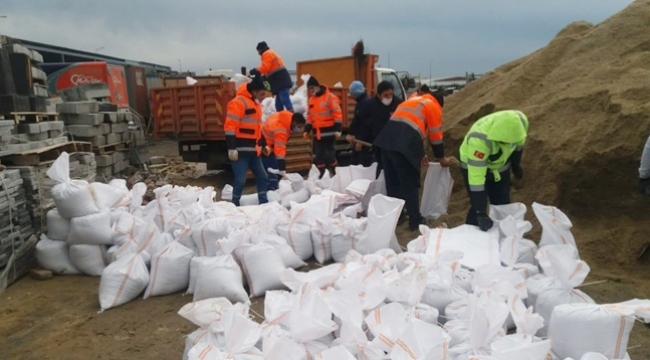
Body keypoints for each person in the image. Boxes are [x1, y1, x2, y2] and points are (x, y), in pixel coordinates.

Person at [374, 86, 450, 231]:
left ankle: (397, 216)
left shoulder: (412, 101)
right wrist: (441, 157)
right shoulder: (433, 106)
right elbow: (435, 136)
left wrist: (420, 154)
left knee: (393, 183)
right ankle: (415, 220)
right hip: (403, 145)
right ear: (439, 103)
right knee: (410, 183)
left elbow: (408, 126)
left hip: (385, 142)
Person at [459, 110, 529, 231]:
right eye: (504, 142)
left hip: (500, 164)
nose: (507, 144)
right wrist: (480, 212)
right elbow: (477, 180)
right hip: (473, 164)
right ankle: (471, 234)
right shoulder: (479, 140)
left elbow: (518, 147)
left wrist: (515, 166)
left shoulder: (521, 123)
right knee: (478, 204)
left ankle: (501, 235)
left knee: (502, 201)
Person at [224, 74, 270, 206]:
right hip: (240, 151)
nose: (263, 97)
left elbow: (257, 128)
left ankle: (264, 203)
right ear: (254, 92)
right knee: (240, 180)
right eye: (262, 94)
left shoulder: (256, 106)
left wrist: (264, 144)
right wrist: (231, 148)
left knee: (263, 177)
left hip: (254, 151)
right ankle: (234, 204)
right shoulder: (238, 103)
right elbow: (230, 126)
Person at [349, 80, 401, 174]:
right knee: (377, 170)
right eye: (386, 95)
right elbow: (360, 121)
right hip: (375, 144)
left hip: (393, 144)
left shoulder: (398, 104)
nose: (389, 97)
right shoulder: (370, 105)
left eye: (391, 94)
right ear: (378, 95)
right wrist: (353, 134)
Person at [303, 76, 343, 178]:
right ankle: (322, 176)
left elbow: (337, 113)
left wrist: (338, 129)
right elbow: (309, 116)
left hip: (329, 132)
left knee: (330, 156)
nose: (311, 91)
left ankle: (336, 174)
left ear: (317, 86)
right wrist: (307, 129)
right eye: (309, 89)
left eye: (312, 88)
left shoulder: (330, 97)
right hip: (318, 134)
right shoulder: (311, 100)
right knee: (319, 157)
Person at [261, 110, 307, 189]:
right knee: (273, 171)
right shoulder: (281, 130)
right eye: (299, 126)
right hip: (265, 148)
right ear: (294, 123)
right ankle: (271, 191)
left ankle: (270, 189)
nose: (299, 130)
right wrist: (282, 168)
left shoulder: (287, 118)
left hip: (265, 143)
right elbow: (279, 150)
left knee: (271, 170)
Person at [252, 41, 293, 112]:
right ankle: (281, 117)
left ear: (260, 50)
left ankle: (292, 115)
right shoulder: (271, 53)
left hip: (280, 80)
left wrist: (256, 70)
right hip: (280, 80)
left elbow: (265, 67)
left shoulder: (267, 54)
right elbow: (270, 68)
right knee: (279, 103)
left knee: (284, 100)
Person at [346, 80, 371, 166]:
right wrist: (351, 133)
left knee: (361, 164)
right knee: (355, 163)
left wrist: (360, 141)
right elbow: (356, 120)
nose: (351, 96)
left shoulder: (365, 104)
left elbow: (366, 125)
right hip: (360, 139)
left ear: (355, 93)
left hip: (365, 142)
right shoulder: (361, 103)